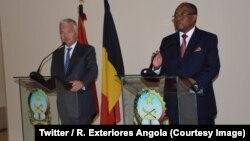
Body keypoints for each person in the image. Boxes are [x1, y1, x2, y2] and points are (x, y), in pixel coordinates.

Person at [150, 2, 220, 124]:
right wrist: (157, 66)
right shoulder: (167, 41)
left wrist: (193, 83)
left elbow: (213, 67)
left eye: (182, 14)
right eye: (176, 15)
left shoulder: (208, 39)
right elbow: (157, 74)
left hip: (200, 105)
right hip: (174, 107)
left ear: (194, 17)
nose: (178, 18)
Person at [51, 18, 98, 124]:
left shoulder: (87, 50)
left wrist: (82, 83)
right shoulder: (56, 54)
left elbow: (93, 70)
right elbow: (54, 76)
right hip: (64, 105)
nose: (65, 36)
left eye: (69, 32)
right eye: (62, 33)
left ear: (76, 32)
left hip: (81, 104)